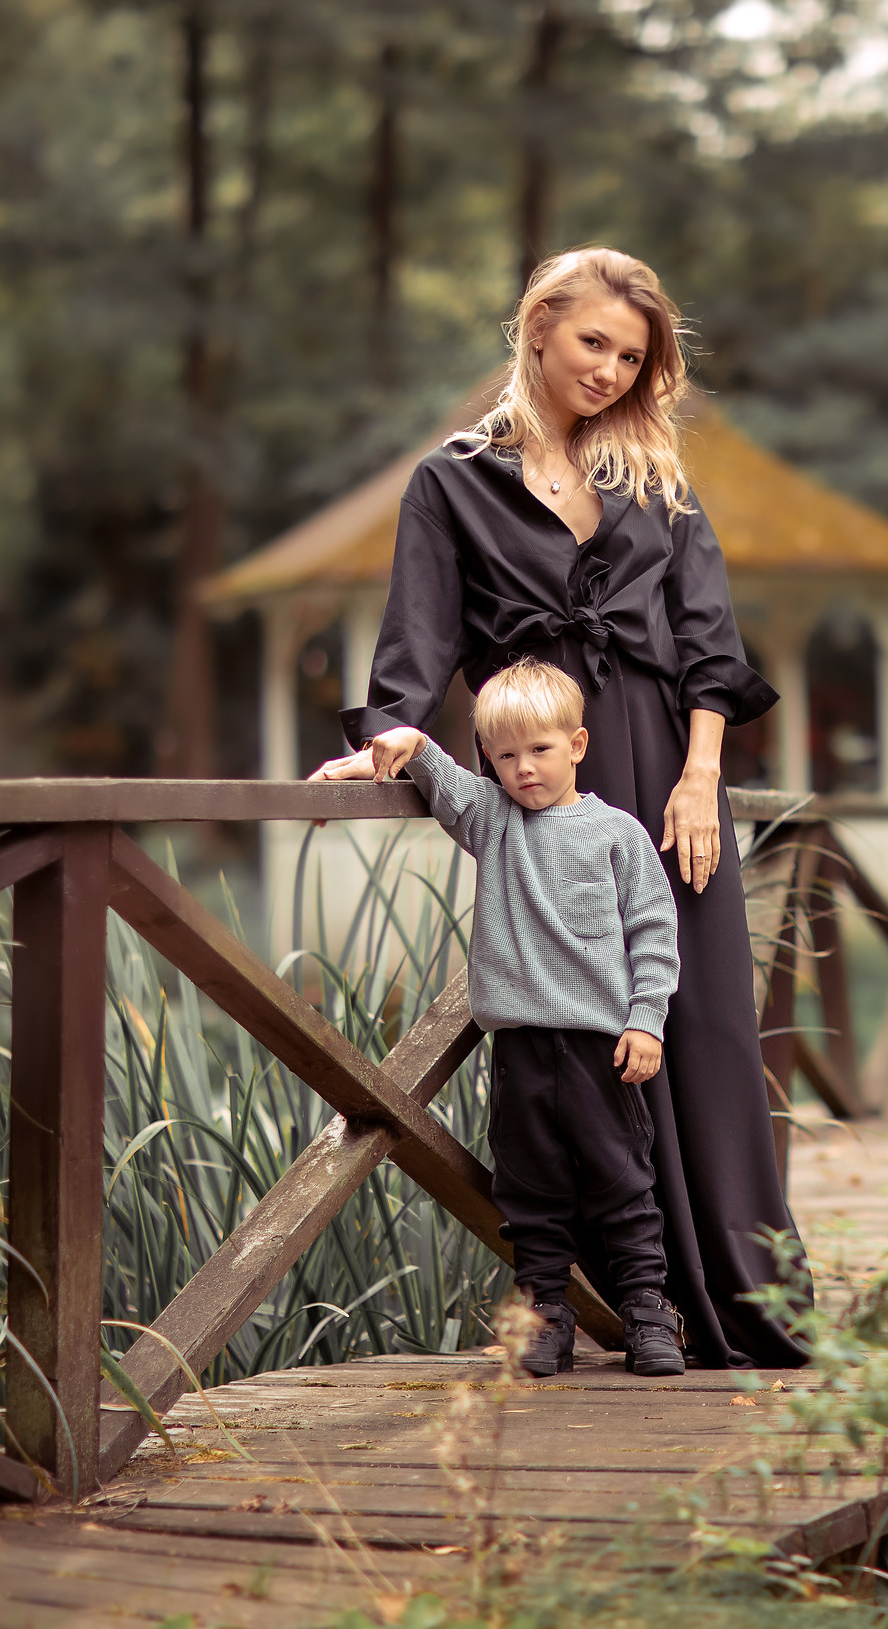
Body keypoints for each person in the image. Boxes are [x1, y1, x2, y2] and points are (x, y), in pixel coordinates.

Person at [310, 246, 809, 1369]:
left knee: (704, 1026)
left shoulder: (658, 480)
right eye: (595, 343)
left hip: (670, 780)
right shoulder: (451, 481)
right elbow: (421, 636)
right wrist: (386, 736)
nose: (611, 371)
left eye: (632, 357)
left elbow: (709, 644)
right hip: (552, 792)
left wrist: (700, 777)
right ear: (538, 326)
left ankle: (735, 1298)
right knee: (576, 1046)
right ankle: (616, 1304)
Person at [368, 659, 686, 1378]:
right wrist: (410, 743)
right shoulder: (493, 820)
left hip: (603, 1048)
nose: (523, 769)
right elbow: (444, 779)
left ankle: (646, 1309)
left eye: (539, 750)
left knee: (622, 1182)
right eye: (504, 756)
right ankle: (546, 1315)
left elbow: (654, 932)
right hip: (519, 1051)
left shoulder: (617, 834)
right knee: (532, 1189)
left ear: (576, 744)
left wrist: (646, 1019)